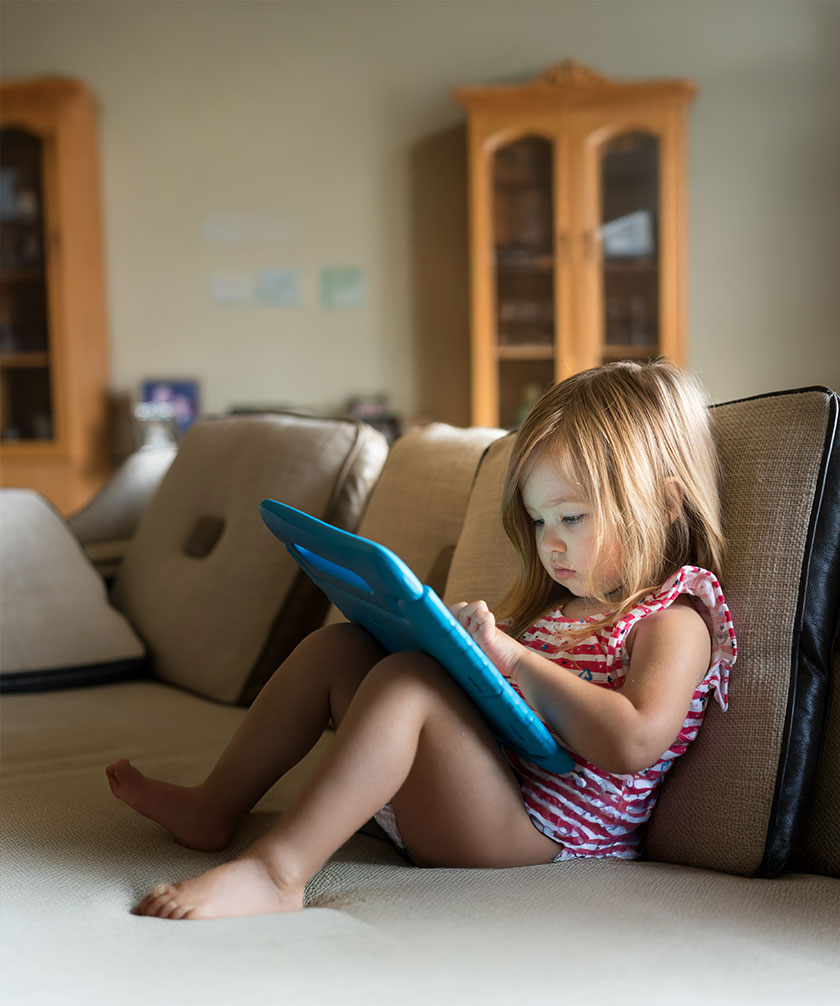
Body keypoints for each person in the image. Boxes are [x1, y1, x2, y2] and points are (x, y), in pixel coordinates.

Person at [107, 360, 736, 920]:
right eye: (539, 520)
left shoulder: (673, 618)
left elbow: (632, 740)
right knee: (340, 649)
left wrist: (514, 661)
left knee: (409, 685)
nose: (549, 542)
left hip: (539, 839)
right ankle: (215, 805)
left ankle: (278, 873)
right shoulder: (560, 609)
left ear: (666, 499)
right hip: (481, 797)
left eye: (571, 517)